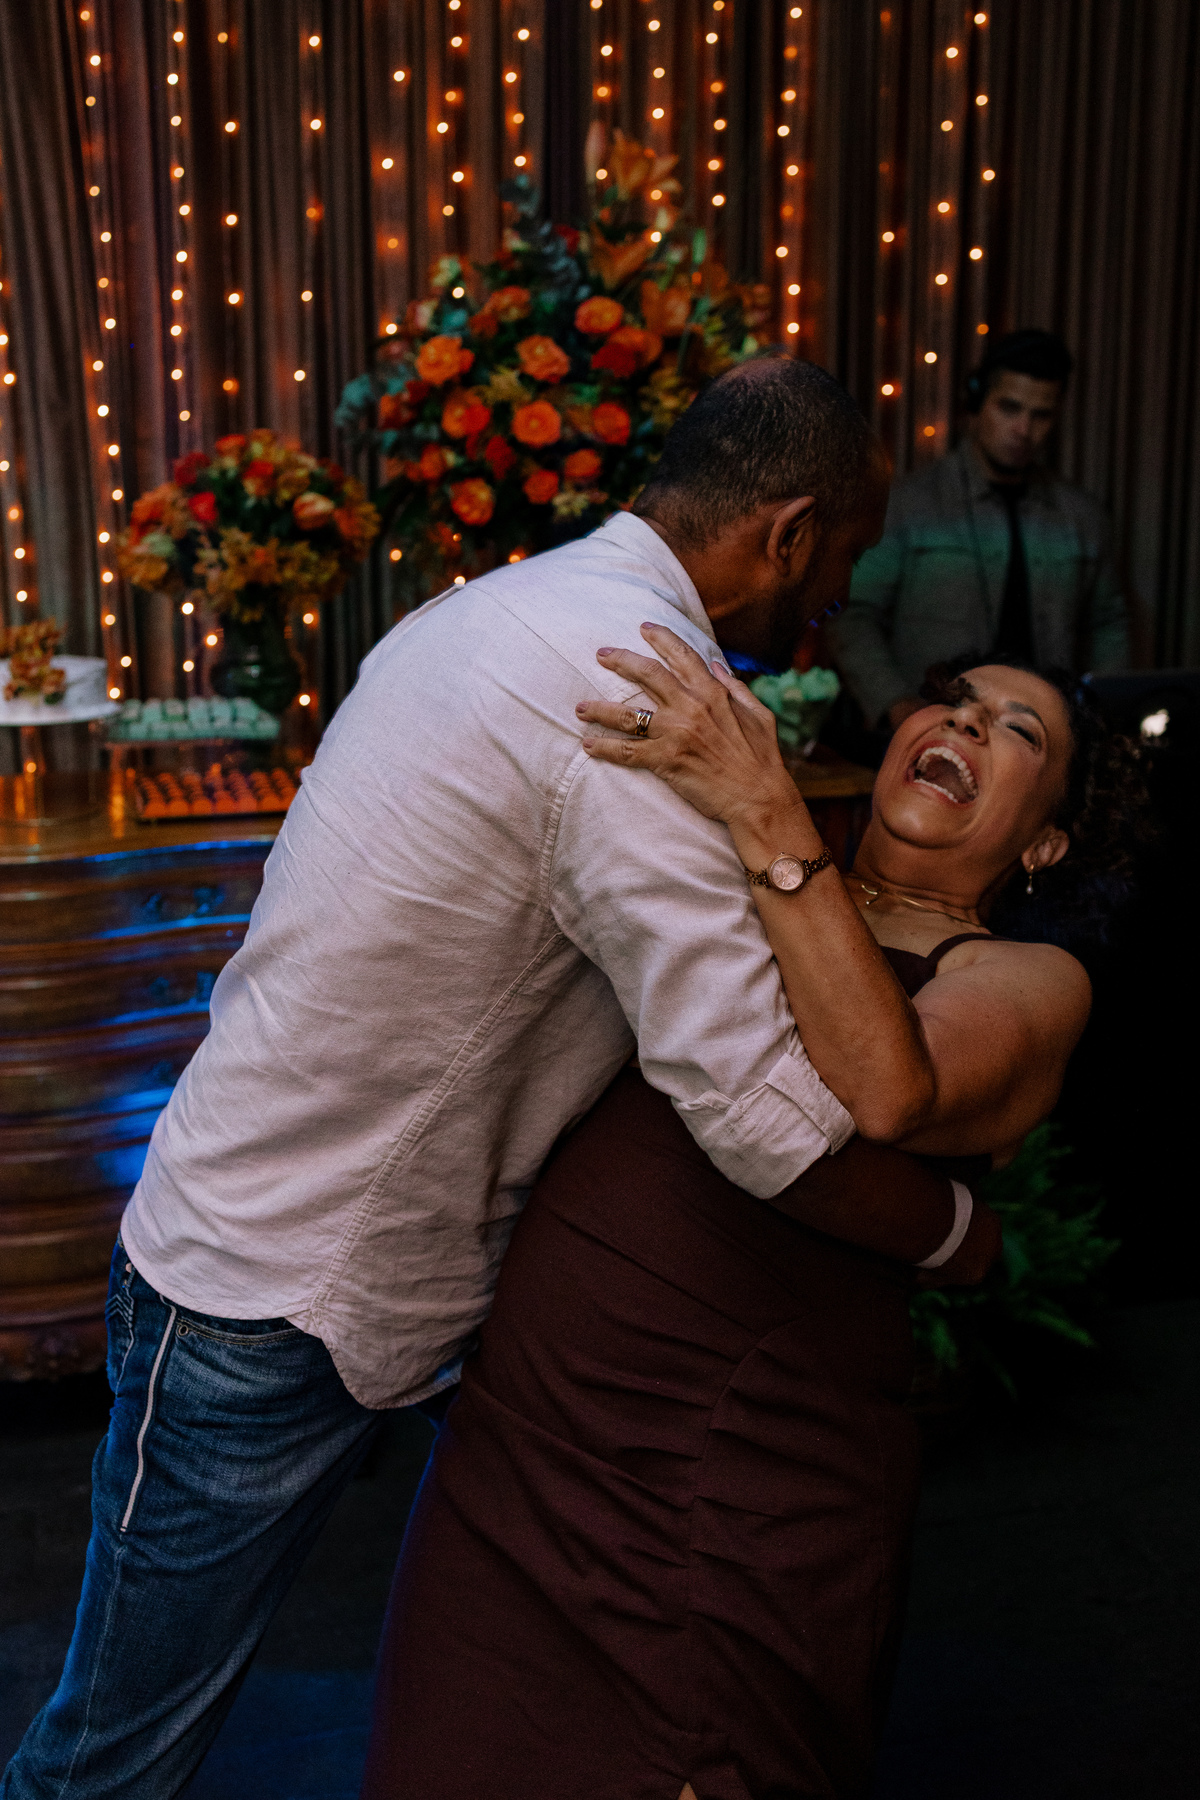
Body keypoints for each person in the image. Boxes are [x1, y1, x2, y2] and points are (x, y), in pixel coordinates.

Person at [3, 359, 990, 1800]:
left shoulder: (494, 606)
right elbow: (762, 1118)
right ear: (790, 535)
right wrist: (955, 1230)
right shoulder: (641, 698)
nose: (842, 594)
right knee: (108, 1762)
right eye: (845, 557)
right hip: (268, 1289)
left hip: (325, 1267)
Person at [361, 645, 1144, 1800]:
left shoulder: (1031, 979)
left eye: (1017, 730)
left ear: (1045, 845)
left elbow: (890, 1087)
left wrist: (767, 810)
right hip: (528, 1430)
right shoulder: (735, 864)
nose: (967, 726)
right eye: (955, 702)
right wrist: (947, 1229)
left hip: (732, 1475)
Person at [829, 329, 1129, 737]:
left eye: (1041, 415)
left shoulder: (1082, 518)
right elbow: (853, 614)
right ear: (976, 403)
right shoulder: (907, 506)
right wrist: (896, 705)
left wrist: (1100, 715)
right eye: (1009, 408)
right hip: (934, 731)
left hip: (1039, 742)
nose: (1023, 428)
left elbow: (1108, 622)